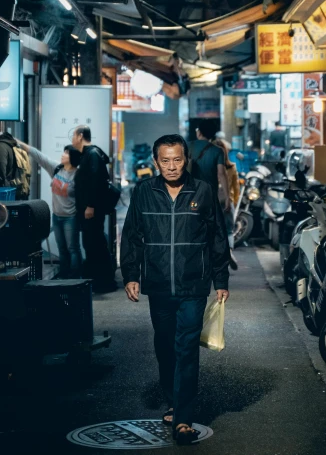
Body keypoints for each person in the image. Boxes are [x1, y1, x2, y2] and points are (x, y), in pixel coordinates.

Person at [121, 134, 230, 445]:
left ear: (187, 160)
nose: (171, 166)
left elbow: (218, 238)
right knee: (165, 346)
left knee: (186, 349)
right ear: (156, 162)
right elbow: (131, 236)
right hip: (157, 285)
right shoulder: (144, 191)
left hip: (194, 284)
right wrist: (131, 274)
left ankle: (183, 418)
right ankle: (172, 398)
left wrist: (220, 281)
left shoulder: (203, 191)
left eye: (177, 160)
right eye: (165, 161)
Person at [17, 141, 82, 278]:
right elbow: (38, 155)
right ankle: (64, 276)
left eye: (66, 153)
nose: (63, 155)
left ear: (73, 157)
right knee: (62, 249)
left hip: (71, 217)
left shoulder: (78, 175)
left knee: (73, 248)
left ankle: (75, 277)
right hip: (57, 216)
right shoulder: (57, 169)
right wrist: (17, 142)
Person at [72, 125, 117, 292]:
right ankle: (99, 281)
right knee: (92, 244)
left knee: (95, 244)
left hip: (91, 210)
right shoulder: (89, 155)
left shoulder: (92, 155)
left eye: (73, 136)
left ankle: (103, 282)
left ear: (80, 136)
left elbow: (95, 182)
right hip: (88, 209)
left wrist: (90, 205)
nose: (72, 140)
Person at [188, 120, 230, 211]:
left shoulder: (188, 146)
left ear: (199, 132)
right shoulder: (217, 151)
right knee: (209, 220)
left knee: (192, 217)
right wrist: (227, 197)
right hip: (210, 195)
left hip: (190, 195)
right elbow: (221, 174)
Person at [213, 138, 240, 271]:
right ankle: (228, 252)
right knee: (228, 229)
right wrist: (233, 202)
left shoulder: (209, 165)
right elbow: (236, 189)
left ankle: (216, 258)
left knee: (213, 230)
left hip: (212, 201)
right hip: (227, 201)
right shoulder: (232, 166)